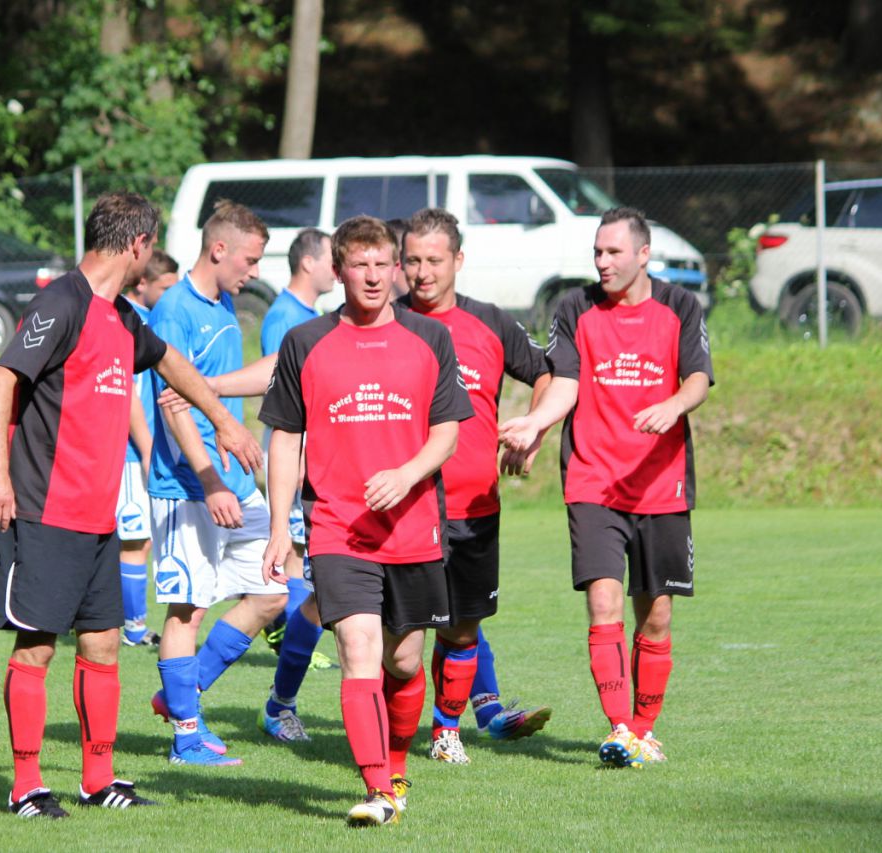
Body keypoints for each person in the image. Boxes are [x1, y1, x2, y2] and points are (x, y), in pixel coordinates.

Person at [0, 192, 262, 819]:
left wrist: (225, 421)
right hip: (44, 510)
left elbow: (170, 364)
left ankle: (98, 780)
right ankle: (25, 786)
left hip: (98, 516)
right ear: (138, 244)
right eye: (150, 245)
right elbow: (1, 378)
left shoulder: (121, 316)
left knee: (103, 646)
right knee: (36, 649)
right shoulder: (62, 302)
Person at [260, 215, 472, 826]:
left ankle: (396, 764)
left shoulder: (430, 338)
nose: (373, 276)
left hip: (412, 526)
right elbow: (285, 438)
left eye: (383, 264)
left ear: (396, 268)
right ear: (339, 270)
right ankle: (379, 788)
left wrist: (406, 475)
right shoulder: (305, 341)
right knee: (358, 646)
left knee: (403, 662)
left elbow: (447, 431)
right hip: (336, 526)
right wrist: (279, 526)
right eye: (360, 265)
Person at [497, 207, 712, 768]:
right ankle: (620, 729)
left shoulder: (680, 305)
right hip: (592, 478)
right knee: (603, 601)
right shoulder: (575, 307)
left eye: (614, 252)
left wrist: (673, 405)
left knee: (656, 615)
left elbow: (697, 377)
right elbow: (566, 382)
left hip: (661, 482)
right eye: (597, 251)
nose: (602, 261)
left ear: (644, 254)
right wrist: (536, 422)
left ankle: (644, 728)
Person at [401, 208, 554, 765]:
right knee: (402, 639)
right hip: (406, 507)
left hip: (474, 505)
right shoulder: (385, 321)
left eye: (434, 260)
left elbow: (547, 371)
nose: (422, 272)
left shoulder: (490, 322)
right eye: (412, 260)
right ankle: (392, 734)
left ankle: (446, 732)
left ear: (458, 260)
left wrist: (532, 430)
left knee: (464, 630)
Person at [146, 201, 288, 768]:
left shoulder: (224, 302)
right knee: (188, 610)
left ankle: (180, 693)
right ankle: (186, 737)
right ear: (219, 249)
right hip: (189, 488)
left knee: (273, 590)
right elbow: (172, 404)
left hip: (233, 482)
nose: (255, 271)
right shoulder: (173, 311)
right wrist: (210, 481)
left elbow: (214, 386)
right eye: (250, 260)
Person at [117, 250, 180, 647]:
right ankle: (134, 628)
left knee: (142, 540)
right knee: (135, 540)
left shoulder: (148, 320)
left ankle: (126, 622)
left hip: (144, 450)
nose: (171, 295)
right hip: (129, 454)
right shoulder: (129, 321)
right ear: (142, 283)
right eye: (165, 287)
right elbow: (127, 393)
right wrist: (144, 450)